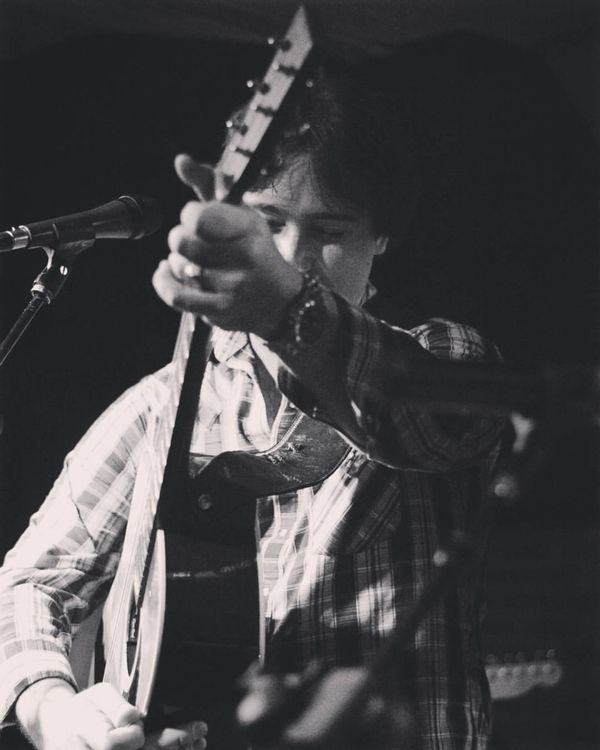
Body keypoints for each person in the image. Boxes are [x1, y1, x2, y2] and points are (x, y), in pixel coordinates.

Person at [0, 43, 509, 750]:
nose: (292, 257)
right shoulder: (158, 409)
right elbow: (32, 581)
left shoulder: (443, 357)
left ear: (383, 235)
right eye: (268, 223)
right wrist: (55, 712)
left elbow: (423, 425)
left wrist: (284, 313)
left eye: (329, 232)